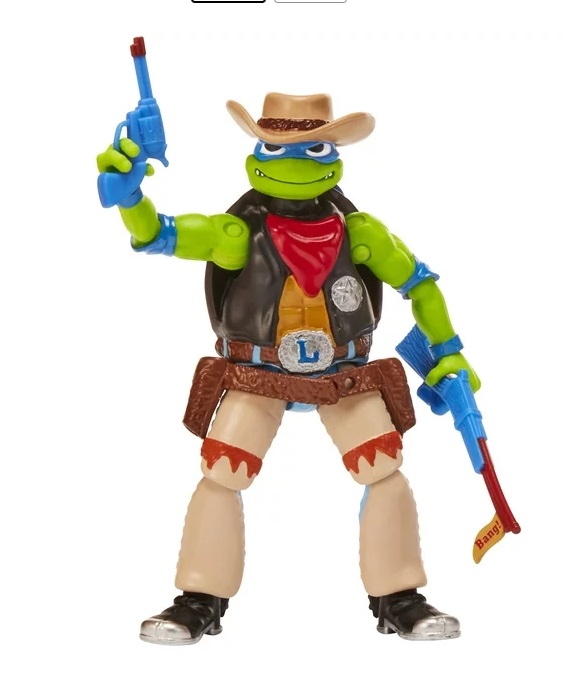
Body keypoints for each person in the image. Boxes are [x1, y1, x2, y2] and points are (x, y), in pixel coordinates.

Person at [97, 92, 480, 644]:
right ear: (258, 153)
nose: (294, 161)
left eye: (312, 148)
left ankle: (398, 596)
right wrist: (130, 195)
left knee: (384, 469)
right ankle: (200, 598)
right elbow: (160, 234)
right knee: (222, 473)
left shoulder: (361, 232)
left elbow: (419, 283)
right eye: (277, 148)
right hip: (257, 376)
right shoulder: (235, 234)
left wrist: (449, 351)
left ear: (333, 155)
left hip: (345, 375)